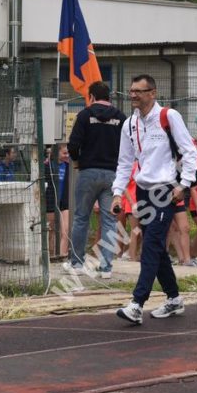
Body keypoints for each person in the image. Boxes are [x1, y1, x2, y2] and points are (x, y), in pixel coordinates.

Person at [111, 75, 197, 325]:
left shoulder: (168, 117)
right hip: (143, 190)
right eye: (131, 91)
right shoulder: (129, 124)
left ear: (153, 93)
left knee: (150, 244)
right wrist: (118, 192)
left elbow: (189, 150)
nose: (134, 95)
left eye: (139, 91)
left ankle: (137, 303)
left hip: (166, 189)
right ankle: (174, 298)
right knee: (157, 248)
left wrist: (184, 184)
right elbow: (125, 161)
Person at [67, 80, 125, 279]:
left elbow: (73, 145)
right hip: (113, 175)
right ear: (109, 97)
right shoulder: (120, 117)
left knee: (81, 218)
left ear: (91, 97)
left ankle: (77, 263)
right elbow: (128, 146)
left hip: (88, 172)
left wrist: (77, 162)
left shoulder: (85, 115)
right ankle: (106, 267)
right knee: (110, 220)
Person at [44, 143, 70, 261]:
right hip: (51, 202)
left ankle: (62, 254)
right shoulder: (47, 166)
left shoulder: (68, 166)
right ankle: (51, 254)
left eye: (67, 153)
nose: (67, 155)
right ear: (57, 153)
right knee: (52, 230)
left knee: (65, 230)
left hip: (63, 203)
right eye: (64, 153)